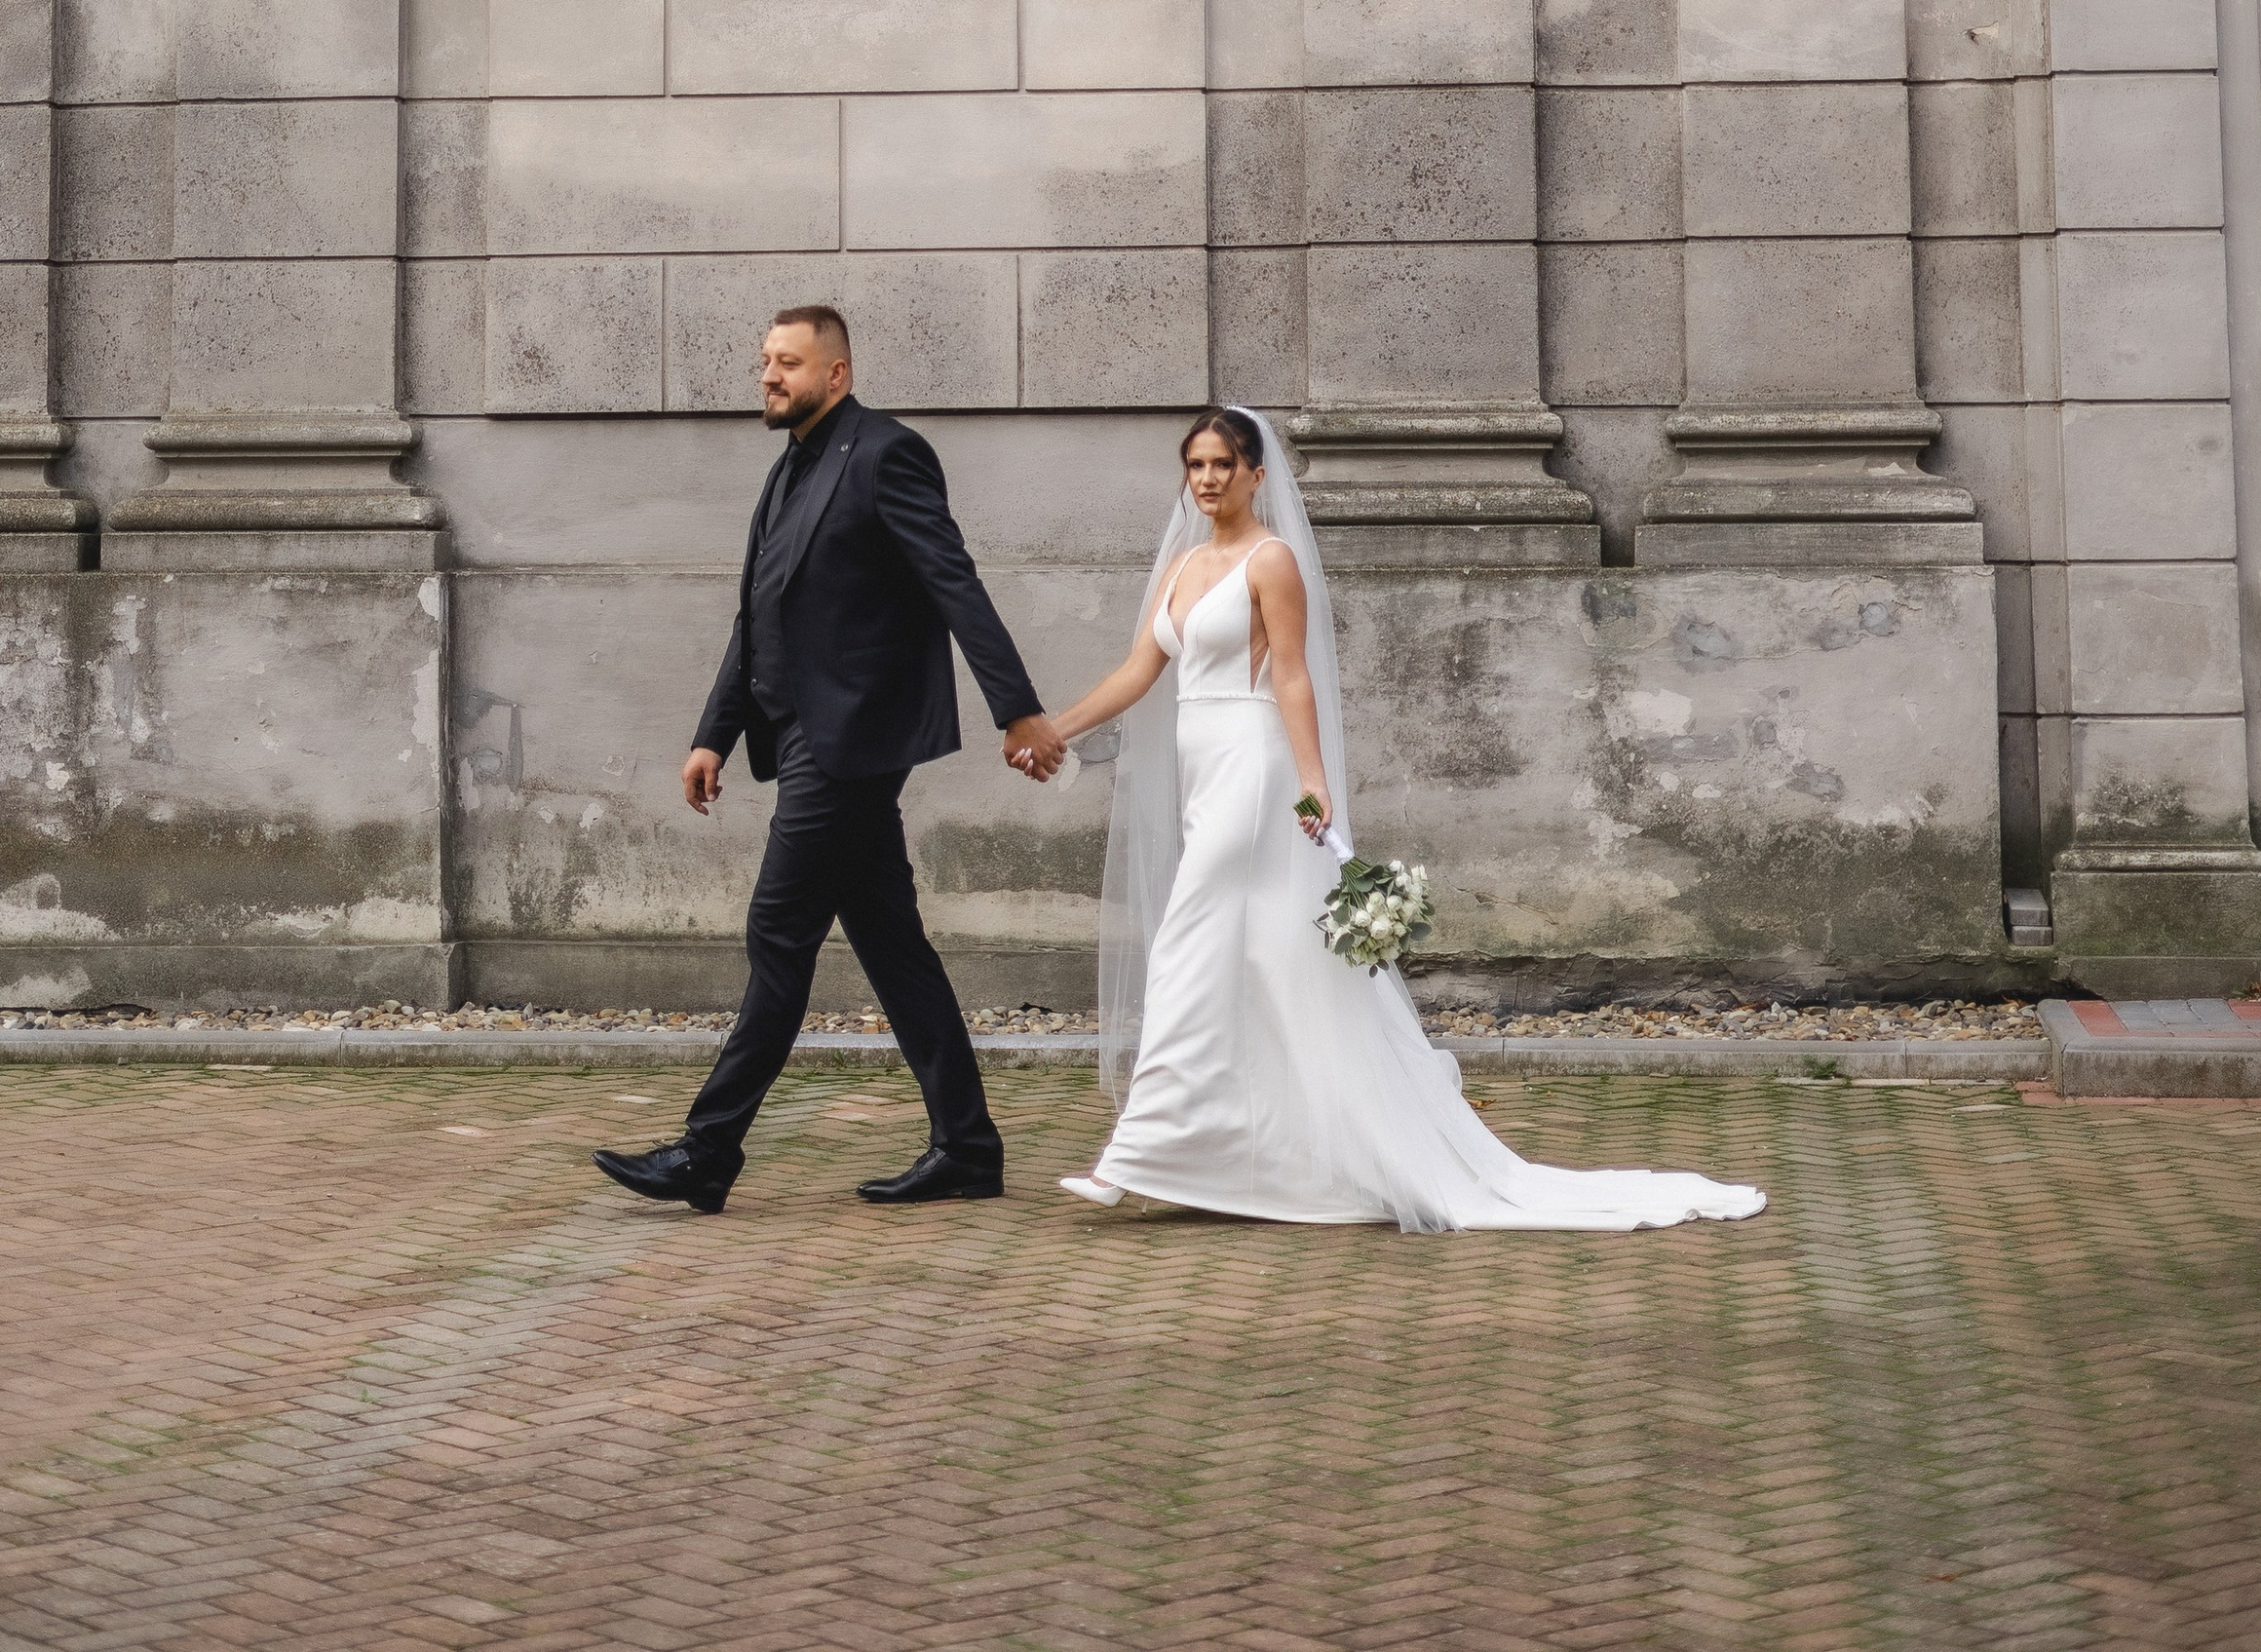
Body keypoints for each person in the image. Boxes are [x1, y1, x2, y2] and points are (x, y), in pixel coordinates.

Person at [1049, 407, 1766, 1234]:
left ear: (1256, 475)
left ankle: (1137, 1154)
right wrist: (1052, 728)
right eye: (1195, 464)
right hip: (1202, 768)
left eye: (1222, 464)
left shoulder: (1269, 561)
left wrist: (1314, 783)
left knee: (1183, 942)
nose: (1207, 479)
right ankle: (1260, 1153)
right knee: (1259, 958)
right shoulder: (1182, 565)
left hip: (1253, 767)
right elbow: (1141, 669)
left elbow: (1291, 678)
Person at [593, 306, 1065, 1216]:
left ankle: (708, 1150)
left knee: (779, 931)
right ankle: (967, 1148)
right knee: (893, 947)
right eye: (764, 361)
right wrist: (712, 733)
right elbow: (759, 616)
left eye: (788, 363)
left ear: (837, 374)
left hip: (851, 743)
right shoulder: (786, 472)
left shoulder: (887, 455)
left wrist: (1019, 711)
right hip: (799, 733)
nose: (767, 377)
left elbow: (952, 580)